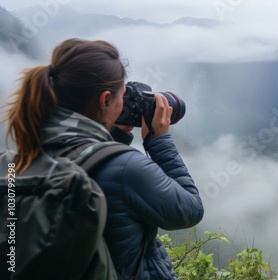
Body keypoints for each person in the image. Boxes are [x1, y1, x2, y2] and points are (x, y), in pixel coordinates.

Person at [4, 38, 204, 279]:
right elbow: (190, 210)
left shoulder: (20, 159)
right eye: (123, 96)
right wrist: (158, 141)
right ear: (105, 100)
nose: (123, 105)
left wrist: (115, 134)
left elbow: (85, 160)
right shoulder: (128, 169)